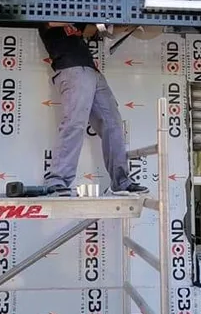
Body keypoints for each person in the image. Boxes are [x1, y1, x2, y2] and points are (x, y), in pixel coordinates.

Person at [38, 22, 149, 197]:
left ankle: (121, 182)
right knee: (74, 124)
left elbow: (95, 29)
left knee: (113, 124)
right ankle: (57, 180)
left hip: (92, 72)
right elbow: (52, 22)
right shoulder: (48, 17)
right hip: (71, 69)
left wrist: (130, 27)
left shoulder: (77, 23)